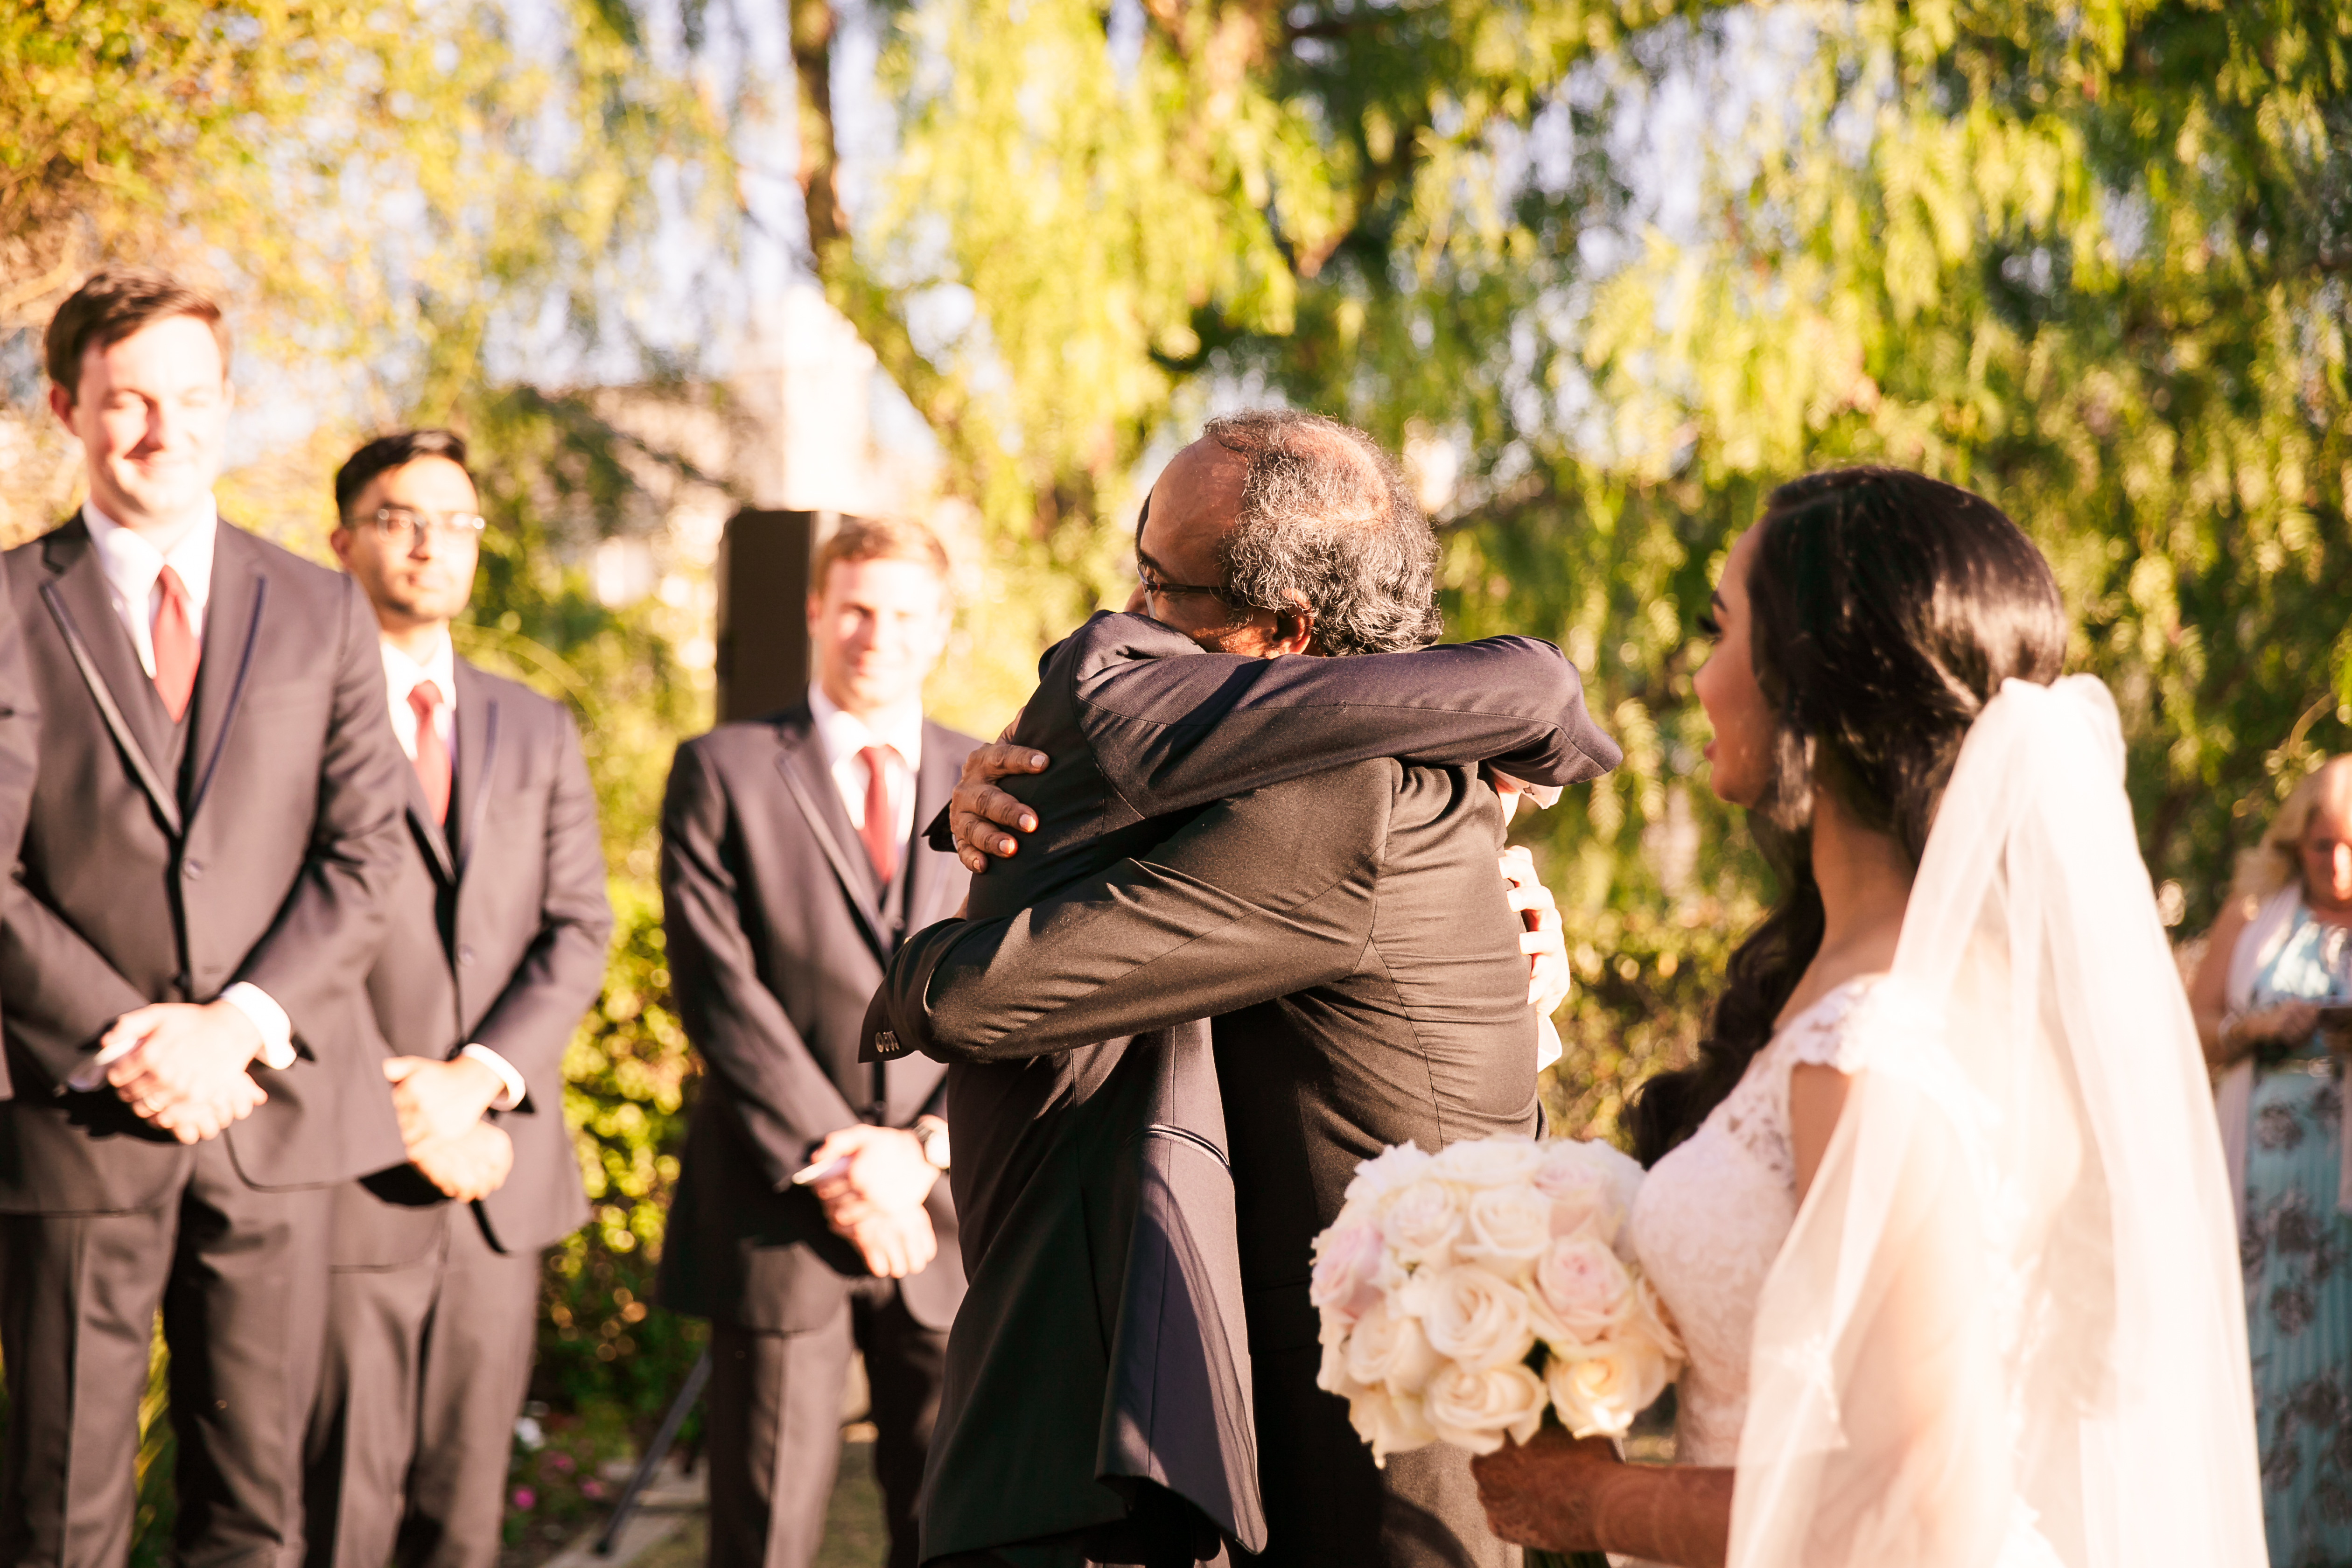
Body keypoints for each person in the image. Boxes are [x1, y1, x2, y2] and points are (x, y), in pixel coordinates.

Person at [1469, 467, 2266, 1567]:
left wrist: (1595, 1504)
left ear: (1816, 681)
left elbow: (1918, 1512)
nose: (1695, 676)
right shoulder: (1876, 986)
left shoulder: (1873, 1046)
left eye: (1720, 627)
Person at [867, 409, 1619, 1568]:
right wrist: (973, 816)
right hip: (1378, 1370)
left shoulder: (1351, 802)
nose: (1128, 617)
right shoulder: (1395, 762)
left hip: (1393, 1432)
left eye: (1161, 589)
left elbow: (986, 999)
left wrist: (930, 956)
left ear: (1282, 633)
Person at [0, 266, 412, 1567]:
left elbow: (368, 852)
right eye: (128, 400)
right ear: (69, 406)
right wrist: (137, 1035)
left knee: (259, 1515)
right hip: (78, 1117)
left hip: (273, 1117)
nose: (161, 429)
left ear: (229, 407)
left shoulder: (324, 608)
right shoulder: (5, 607)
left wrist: (232, 1026)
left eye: (190, 398)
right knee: (60, 1514)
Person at [302, 430, 612, 1568]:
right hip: (343, 1169)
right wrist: (400, 1100)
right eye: (400, 516)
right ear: (342, 541)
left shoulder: (533, 724)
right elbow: (265, 931)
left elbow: (579, 926)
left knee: (467, 1521)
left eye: (458, 521)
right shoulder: (283, 714)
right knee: (340, 1512)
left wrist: (475, 1083)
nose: (433, 543)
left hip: (500, 1175)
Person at [658, 516, 979, 1568]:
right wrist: (844, 1164)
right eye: (854, 608)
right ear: (814, 612)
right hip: (779, 1207)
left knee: (953, 1534)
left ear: (940, 629)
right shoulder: (724, 770)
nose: (874, 634)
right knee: (764, 1539)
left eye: (901, 614)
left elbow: (1024, 988)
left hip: (948, 1211)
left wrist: (918, 1154)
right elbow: (718, 991)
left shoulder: (1005, 776)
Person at [2189, 754, 2352, 1562]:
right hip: (2266, 1193)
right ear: (2300, 842)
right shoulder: (2257, 912)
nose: (2339, 865)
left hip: (2345, 1194)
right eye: (2324, 846)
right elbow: (2193, 1024)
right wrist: (2253, 1030)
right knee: (2270, 1371)